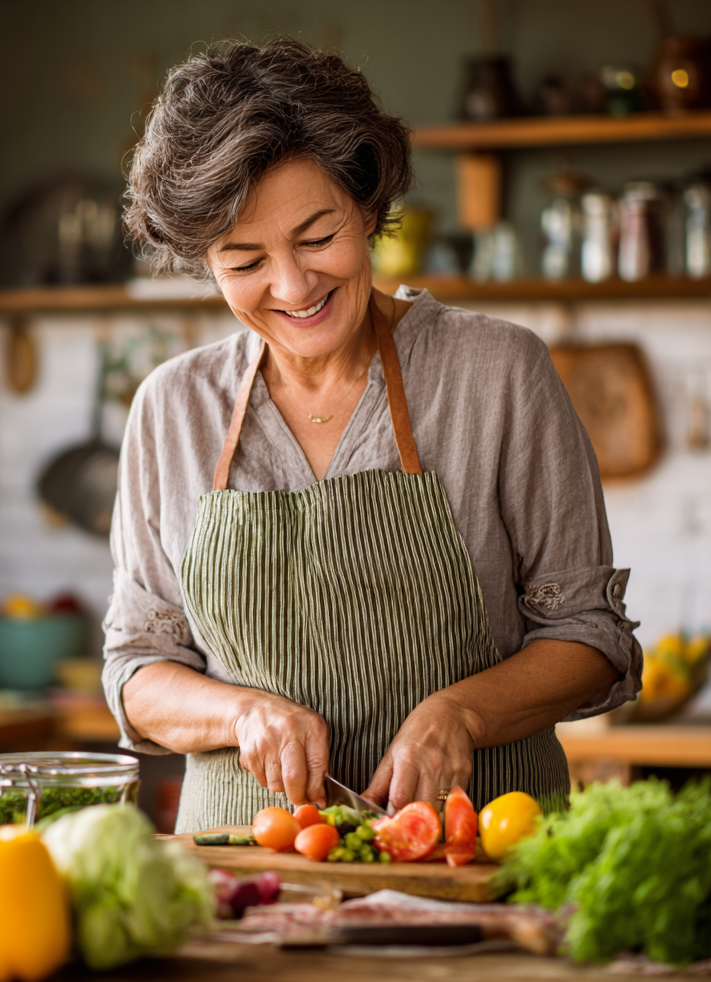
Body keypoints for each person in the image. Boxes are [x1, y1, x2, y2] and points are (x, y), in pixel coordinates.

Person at [104, 38, 641, 833]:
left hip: (481, 862)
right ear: (202, 262)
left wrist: (463, 713)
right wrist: (241, 713)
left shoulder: (497, 372)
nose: (292, 287)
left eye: (318, 237)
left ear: (367, 204)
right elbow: (139, 670)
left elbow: (591, 638)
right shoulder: (171, 409)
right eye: (244, 259)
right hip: (250, 878)